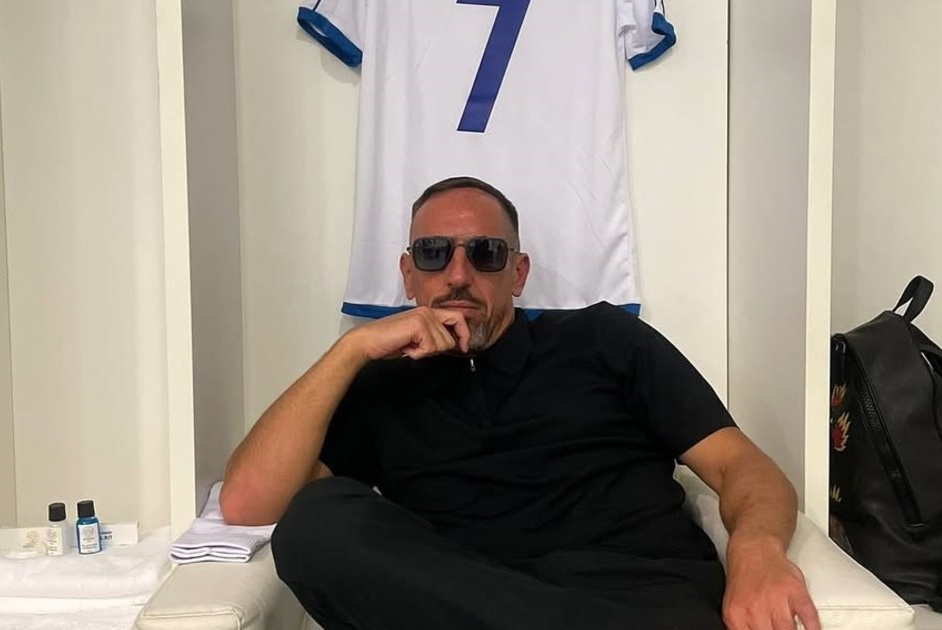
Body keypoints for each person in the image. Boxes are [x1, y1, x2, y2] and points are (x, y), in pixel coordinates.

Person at [220, 176, 820, 630]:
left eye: (485, 253)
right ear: (408, 275)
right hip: (464, 601)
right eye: (434, 253)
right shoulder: (382, 382)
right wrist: (351, 350)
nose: (458, 274)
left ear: (518, 272)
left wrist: (757, 550)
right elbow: (249, 502)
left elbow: (741, 466)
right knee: (316, 520)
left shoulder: (605, 340)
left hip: (633, 598)